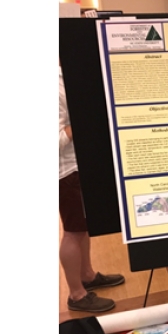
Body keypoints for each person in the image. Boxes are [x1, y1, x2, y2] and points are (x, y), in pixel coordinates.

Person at [60, 67, 125, 312]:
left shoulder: (67, 78)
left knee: (83, 227)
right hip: (65, 172)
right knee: (73, 232)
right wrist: (82, 116)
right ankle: (76, 295)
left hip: (78, 166)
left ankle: (87, 275)